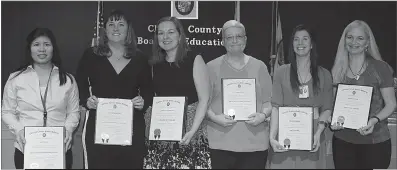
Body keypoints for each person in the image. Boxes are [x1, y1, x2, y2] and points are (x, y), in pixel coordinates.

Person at [76, 10, 154, 169]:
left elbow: (148, 90)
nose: (115, 28)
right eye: (111, 24)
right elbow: (79, 84)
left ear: (128, 29)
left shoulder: (140, 58)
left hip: (132, 128)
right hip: (99, 127)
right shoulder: (91, 55)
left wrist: (143, 101)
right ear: (105, 29)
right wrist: (86, 101)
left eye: (120, 24)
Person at [2, 27, 80, 169]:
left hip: (59, 149)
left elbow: (74, 112)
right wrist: (19, 130)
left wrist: (68, 130)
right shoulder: (15, 78)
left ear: (53, 48)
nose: (42, 49)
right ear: (30, 49)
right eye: (36, 44)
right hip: (25, 148)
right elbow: (7, 111)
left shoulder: (68, 80)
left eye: (47, 44)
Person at [143, 16, 211, 169]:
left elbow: (204, 98)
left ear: (180, 36)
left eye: (170, 32)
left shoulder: (195, 59)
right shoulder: (154, 64)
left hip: (189, 134)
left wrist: (192, 130)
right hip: (162, 135)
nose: (165, 37)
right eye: (160, 33)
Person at [205, 20, 272, 169]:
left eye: (239, 36)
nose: (234, 41)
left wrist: (262, 116)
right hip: (220, 143)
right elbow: (203, 105)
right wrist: (215, 118)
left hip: (255, 145)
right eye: (229, 37)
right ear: (222, 41)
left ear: (245, 39)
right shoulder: (210, 67)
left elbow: (269, 102)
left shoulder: (260, 66)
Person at [330, 20, 396, 169]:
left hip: (375, 142)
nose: (354, 42)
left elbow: (391, 104)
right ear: (344, 40)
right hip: (343, 142)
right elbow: (333, 105)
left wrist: (373, 120)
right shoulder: (337, 70)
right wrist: (331, 120)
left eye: (360, 38)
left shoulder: (381, 68)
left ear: (367, 42)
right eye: (350, 37)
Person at [268, 24, 333, 169]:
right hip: (284, 135)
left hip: (313, 137)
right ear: (292, 44)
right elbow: (276, 108)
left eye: (305, 39)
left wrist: (318, 133)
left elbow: (327, 109)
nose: (300, 43)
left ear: (312, 44)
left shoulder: (324, 75)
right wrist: (272, 137)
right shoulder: (281, 73)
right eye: (296, 39)